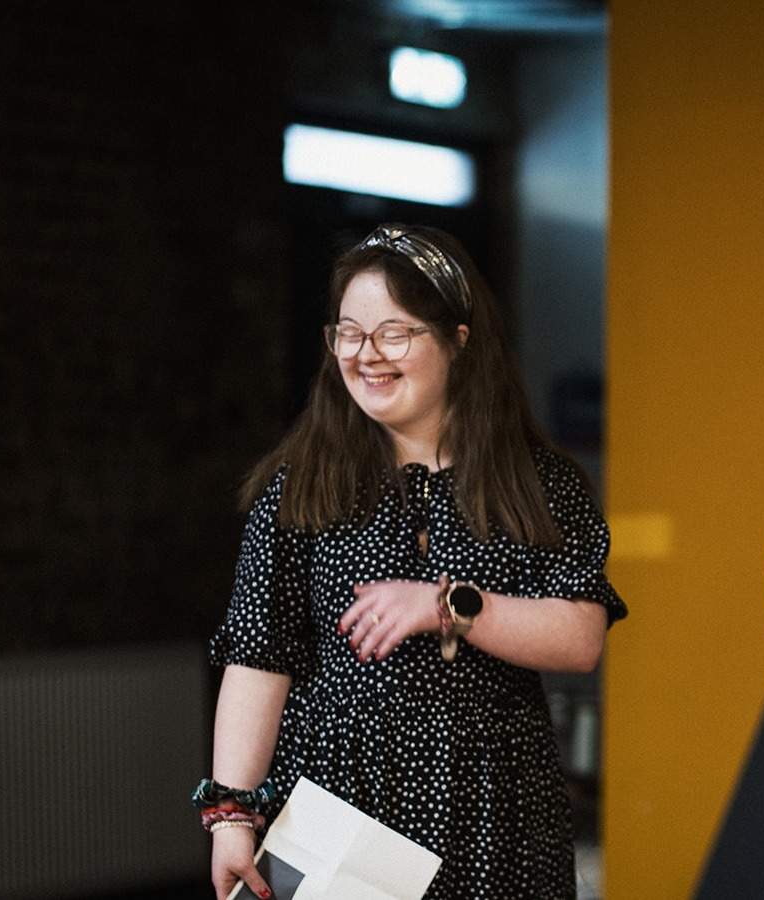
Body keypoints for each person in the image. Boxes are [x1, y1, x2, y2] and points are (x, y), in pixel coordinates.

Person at [197, 224, 627, 900]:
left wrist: (443, 604)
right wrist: (230, 814)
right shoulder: (301, 486)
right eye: (349, 332)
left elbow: (580, 638)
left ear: (459, 339)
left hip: (496, 807)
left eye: (394, 333)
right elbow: (258, 659)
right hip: (334, 804)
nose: (366, 355)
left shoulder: (539, 484)